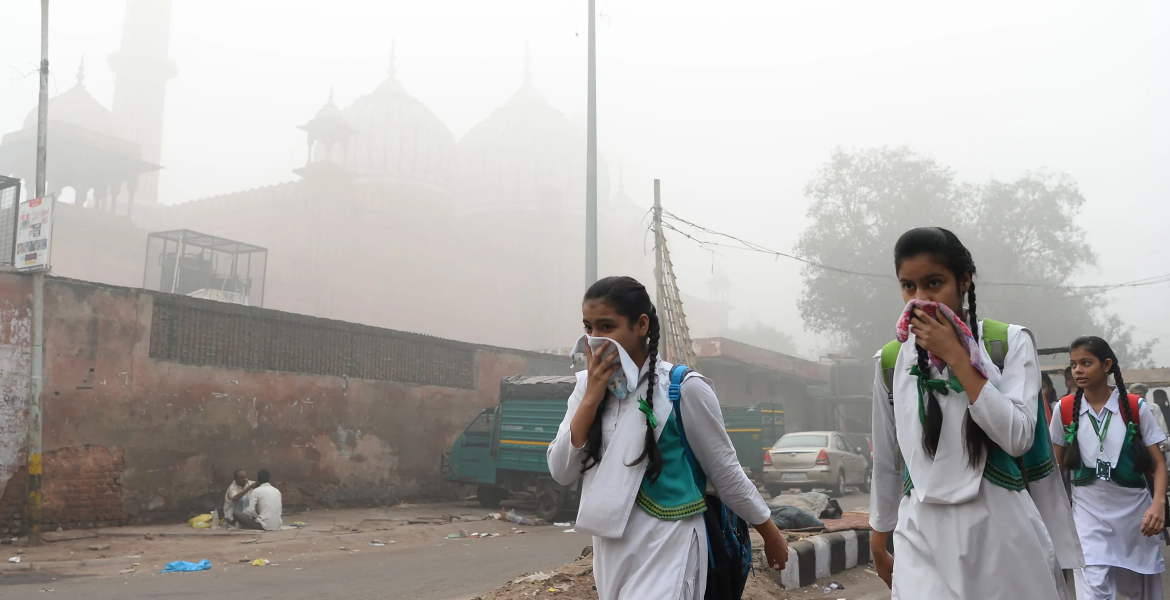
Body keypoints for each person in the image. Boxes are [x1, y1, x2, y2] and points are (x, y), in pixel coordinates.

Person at [869, 227, 1081, 600]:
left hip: (1001, 532)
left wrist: (957, 356)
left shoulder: (1008, 343)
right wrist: (878, 538)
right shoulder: (890, 360)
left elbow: (1017, 437)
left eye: (934, 283)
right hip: (921, 535)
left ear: (965, 280)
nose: (921, 299)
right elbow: (887, 461)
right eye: (909, 286)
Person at [547, 276, 787, 599]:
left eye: (607, 326)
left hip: (671, 545)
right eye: (589, 328)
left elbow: (726, 472)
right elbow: (561, 470)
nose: (594, 339)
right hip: (611, 552)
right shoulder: (585, 389)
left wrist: (770, 532)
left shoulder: (684, 388)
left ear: (641, 325)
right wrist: (591, 397)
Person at [1050, 337, 1166, 600]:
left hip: (1136, 516)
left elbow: (1159, 464)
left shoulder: (1135, 407)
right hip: (1087, 516)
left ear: (1107, 365)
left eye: (1085, 363)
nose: (1077, 370)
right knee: (1094, 590)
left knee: (1139, 591)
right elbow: (1055, 468)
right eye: (1074, 364)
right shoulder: (1064, 409)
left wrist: (1158, 504)